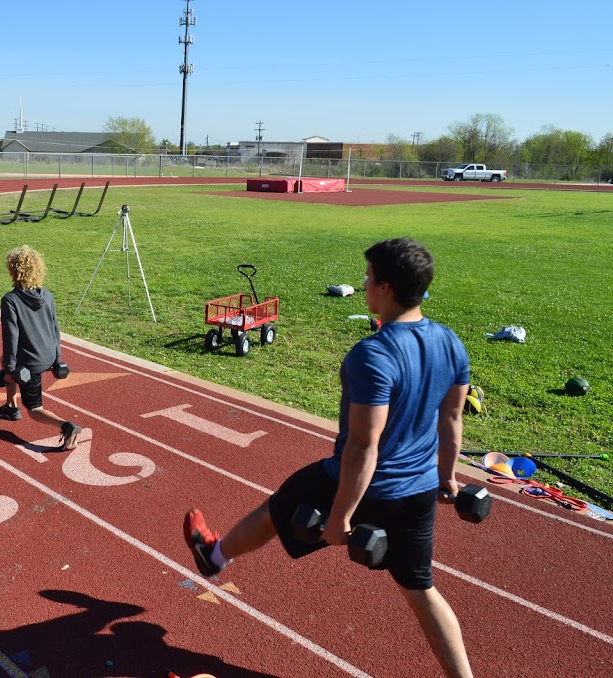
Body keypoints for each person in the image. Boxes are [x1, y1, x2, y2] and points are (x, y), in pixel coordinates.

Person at [184, 237, 474, 678]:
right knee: (421, 590)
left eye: (369, 278)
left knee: (273, 510)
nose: (364, 284)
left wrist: (342, 517)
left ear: (387, 288)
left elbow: (363, 447)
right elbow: (451, 420)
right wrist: (447, 478)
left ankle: (214, 557)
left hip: (360, 484)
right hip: (418, 490)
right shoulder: (450, 342)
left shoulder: (373, 355)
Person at [0, 245, 81, 451]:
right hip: (49, 353)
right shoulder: (46, 295)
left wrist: (11, 372)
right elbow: (55, 327)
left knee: (34, 409)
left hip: (31, 362)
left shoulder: (10, 300)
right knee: (5, 359)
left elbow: (11, 337)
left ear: (14, 271)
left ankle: (66, 426)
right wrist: (57, 359)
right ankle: (11, 408)